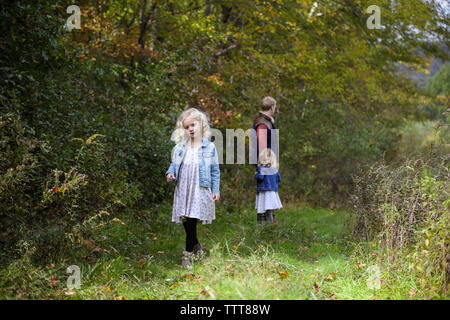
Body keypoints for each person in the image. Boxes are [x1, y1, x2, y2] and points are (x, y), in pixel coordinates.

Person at [165, 108, 220, 267]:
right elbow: (174, 165)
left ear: (201, 124)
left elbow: (215, 170)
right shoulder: (180, 147)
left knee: (192, 220)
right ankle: (197, 245)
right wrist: (170, 174)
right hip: (184, 187)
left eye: (193, 125)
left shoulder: (209, 147)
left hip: (199, 188)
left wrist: (216, 190)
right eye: (187, 127)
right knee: (186, 220)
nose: (190, 129)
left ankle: (187, 255)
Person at [252, 96, 279, 224]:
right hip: (265, 164)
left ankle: (267, 229)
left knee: (268, 193)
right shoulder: (262, 123)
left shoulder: (265, 121)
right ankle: (265, 229)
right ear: (272, 107)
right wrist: (265, 164)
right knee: (266, 194)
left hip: (267, 163)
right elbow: (262, 146)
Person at [254, 148, 282, 223]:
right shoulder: (274, 169)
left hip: (264, 192)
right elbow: (279, 178)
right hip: (272, 192)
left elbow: (260, 177)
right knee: (269, 210)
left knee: (262, 209)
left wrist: (256, 174)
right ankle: (272, 223)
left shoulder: (262, 168)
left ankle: (266, 225)